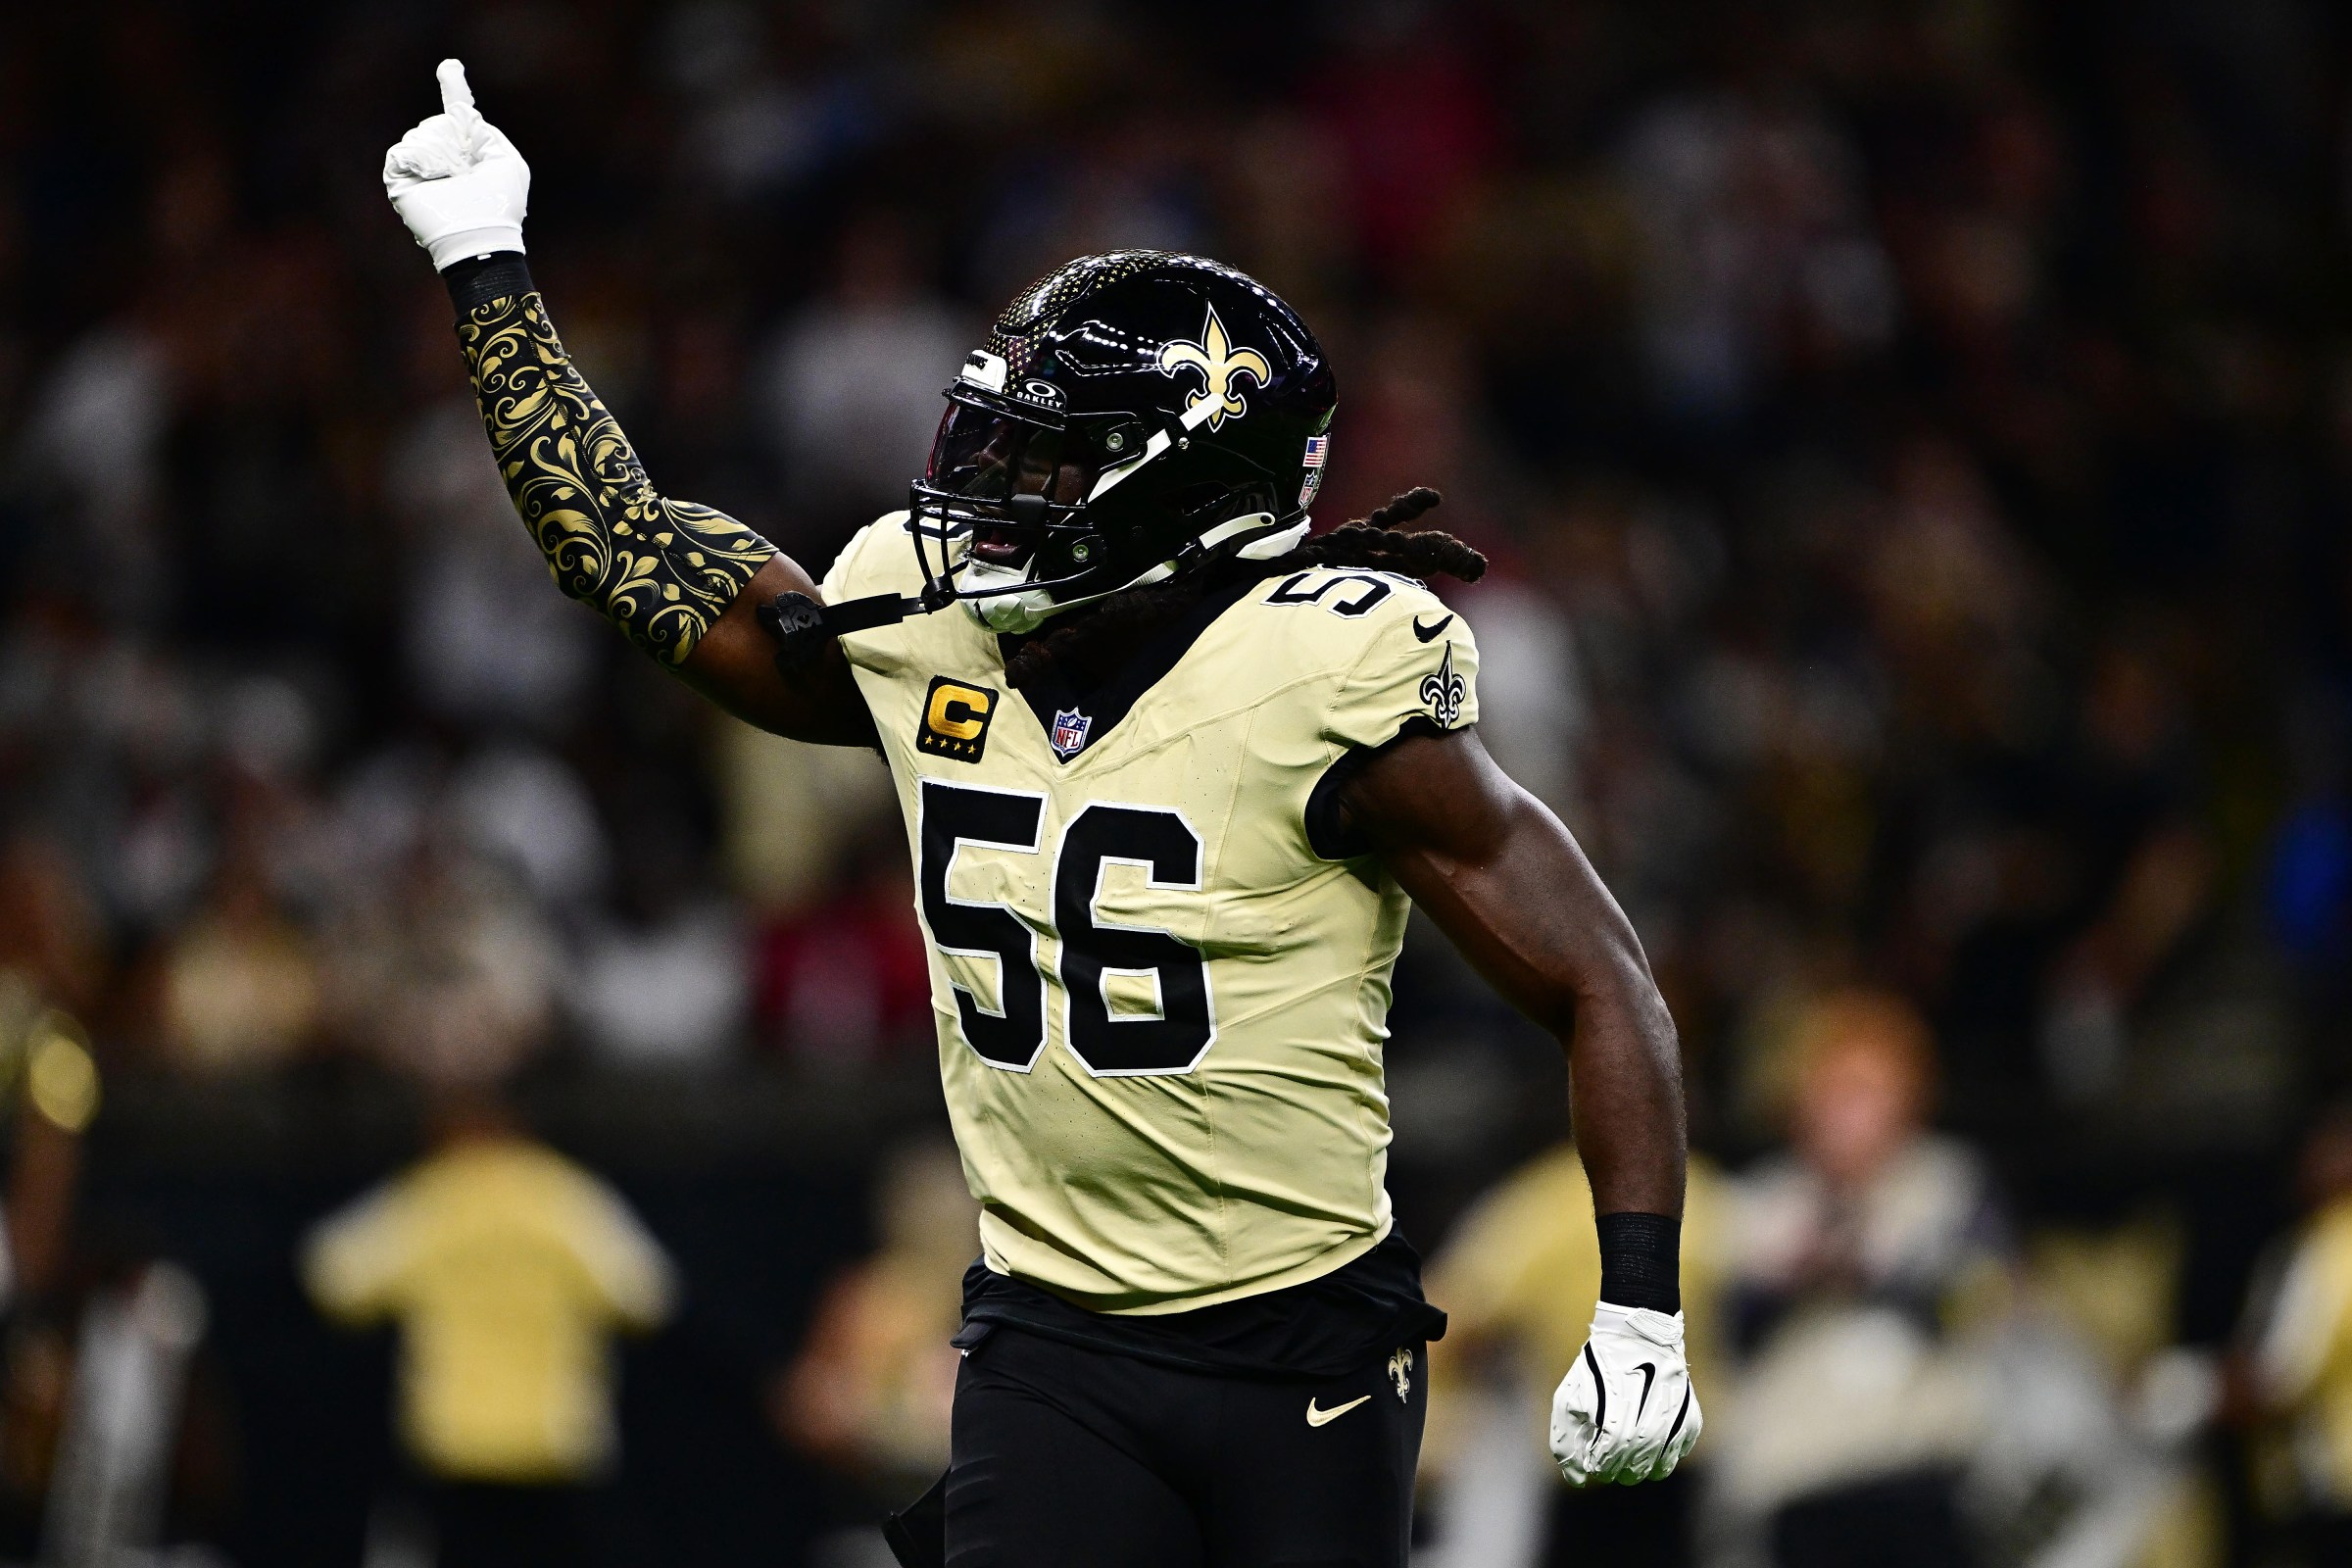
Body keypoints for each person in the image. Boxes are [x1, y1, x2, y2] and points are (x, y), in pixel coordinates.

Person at [380, 61, 1698, 1567]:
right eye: (995, 443)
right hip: (1048, 1338)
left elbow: (1602, 976)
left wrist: (1641, 1302)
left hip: (1306, 1350)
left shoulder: (1327, 678)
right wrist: (487, 270)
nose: (987, 490)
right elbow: (627, 556)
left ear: (1191, 487)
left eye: (1051, 458)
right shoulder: (916, 626)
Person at [302, 1087, 674, 1568]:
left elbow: (332, 1277)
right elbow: (647, 1295)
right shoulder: (565, 1198)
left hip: (455, 1444)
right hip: (553, 1444)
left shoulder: (432, 1198)